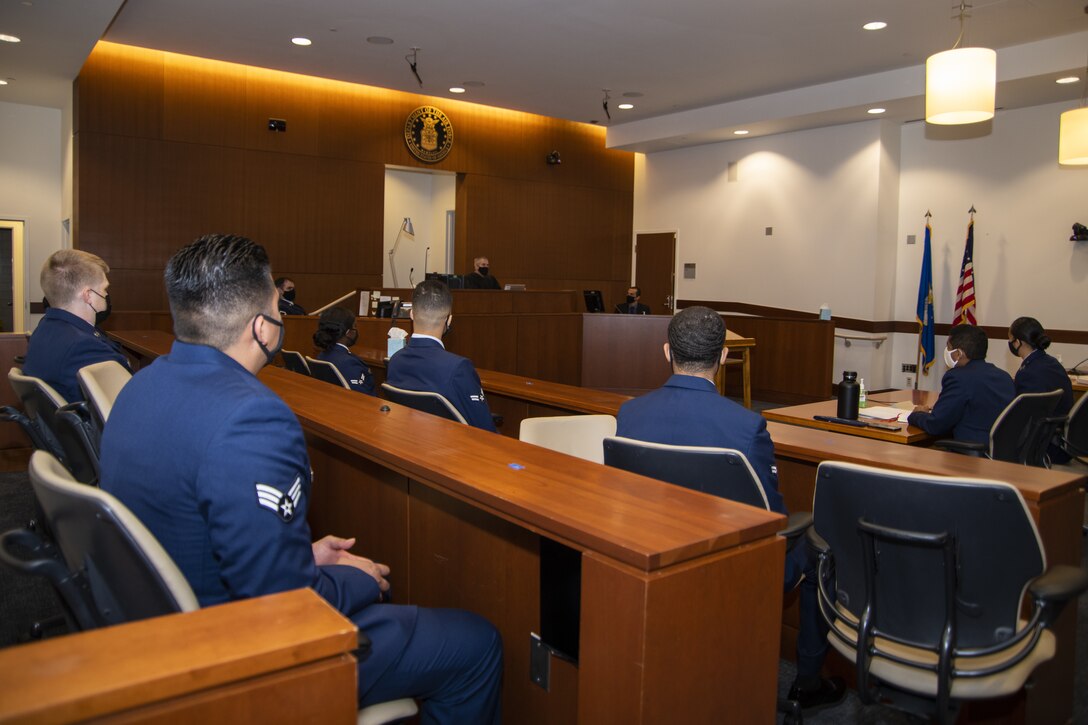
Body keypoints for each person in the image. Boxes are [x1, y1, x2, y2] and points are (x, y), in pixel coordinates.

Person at [100, 234, 502, 722]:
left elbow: (202, 525)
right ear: (261, 328)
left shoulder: (138, 386)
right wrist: (353, 580)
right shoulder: (254, 420)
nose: (283, 316)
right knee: (477, 644)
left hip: (160, 632)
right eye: (278, 305)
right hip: (243, 655)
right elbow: (284, 604)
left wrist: (303, 556)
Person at [615, 306, 844, 711]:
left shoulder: (629, 414)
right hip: (731, 564)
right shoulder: (746, 427)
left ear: (666, 352)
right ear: (723, 357)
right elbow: (771, 515)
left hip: (655, 550)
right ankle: (807, 682)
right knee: (819, 550)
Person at [386, 279, 497, 432]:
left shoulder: (395, 361)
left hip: (409, 444)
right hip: (451, 450)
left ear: (411, 314)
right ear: (449, 320)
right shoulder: (458, 368)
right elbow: (485, 428)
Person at [23, 249, 132, 402]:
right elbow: (130, 400)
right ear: (88, 295)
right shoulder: (83, 347)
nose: (106, 294)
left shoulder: (44, 329)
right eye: (104, 288)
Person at [908, 324, 1015, 444]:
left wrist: (917, 414)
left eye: (949, 348)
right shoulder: (1004, 377)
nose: (947, 352)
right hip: (1001, 453)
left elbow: (936, 425)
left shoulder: (957, 377)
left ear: (959, 354)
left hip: (972, 456)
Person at [1008, 316, 1073, 463]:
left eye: (1011, 340)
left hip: (1043, 446)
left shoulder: (1028, 372)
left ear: (1018, 342)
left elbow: (1022, 419)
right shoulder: (1052, 362)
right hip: (1062, 443)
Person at [314, 307, 375, 396]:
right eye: (355, 326)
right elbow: (361, 397)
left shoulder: (322, 355)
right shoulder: (349, 363)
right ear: (348, 332)